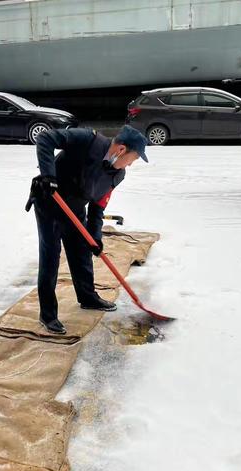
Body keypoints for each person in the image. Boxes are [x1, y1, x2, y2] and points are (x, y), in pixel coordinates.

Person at [28, 125, 149, 334]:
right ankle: (47, 315)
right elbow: (45, 138)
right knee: (51, 258)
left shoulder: (117, 174)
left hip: (75, 209)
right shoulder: (86, 140)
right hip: (50, 203)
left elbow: (98, 206)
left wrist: (95, 237)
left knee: (82, 252)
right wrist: (48, 176)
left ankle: (87, 297)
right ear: (121, 150)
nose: (130, 164)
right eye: (133, 158)